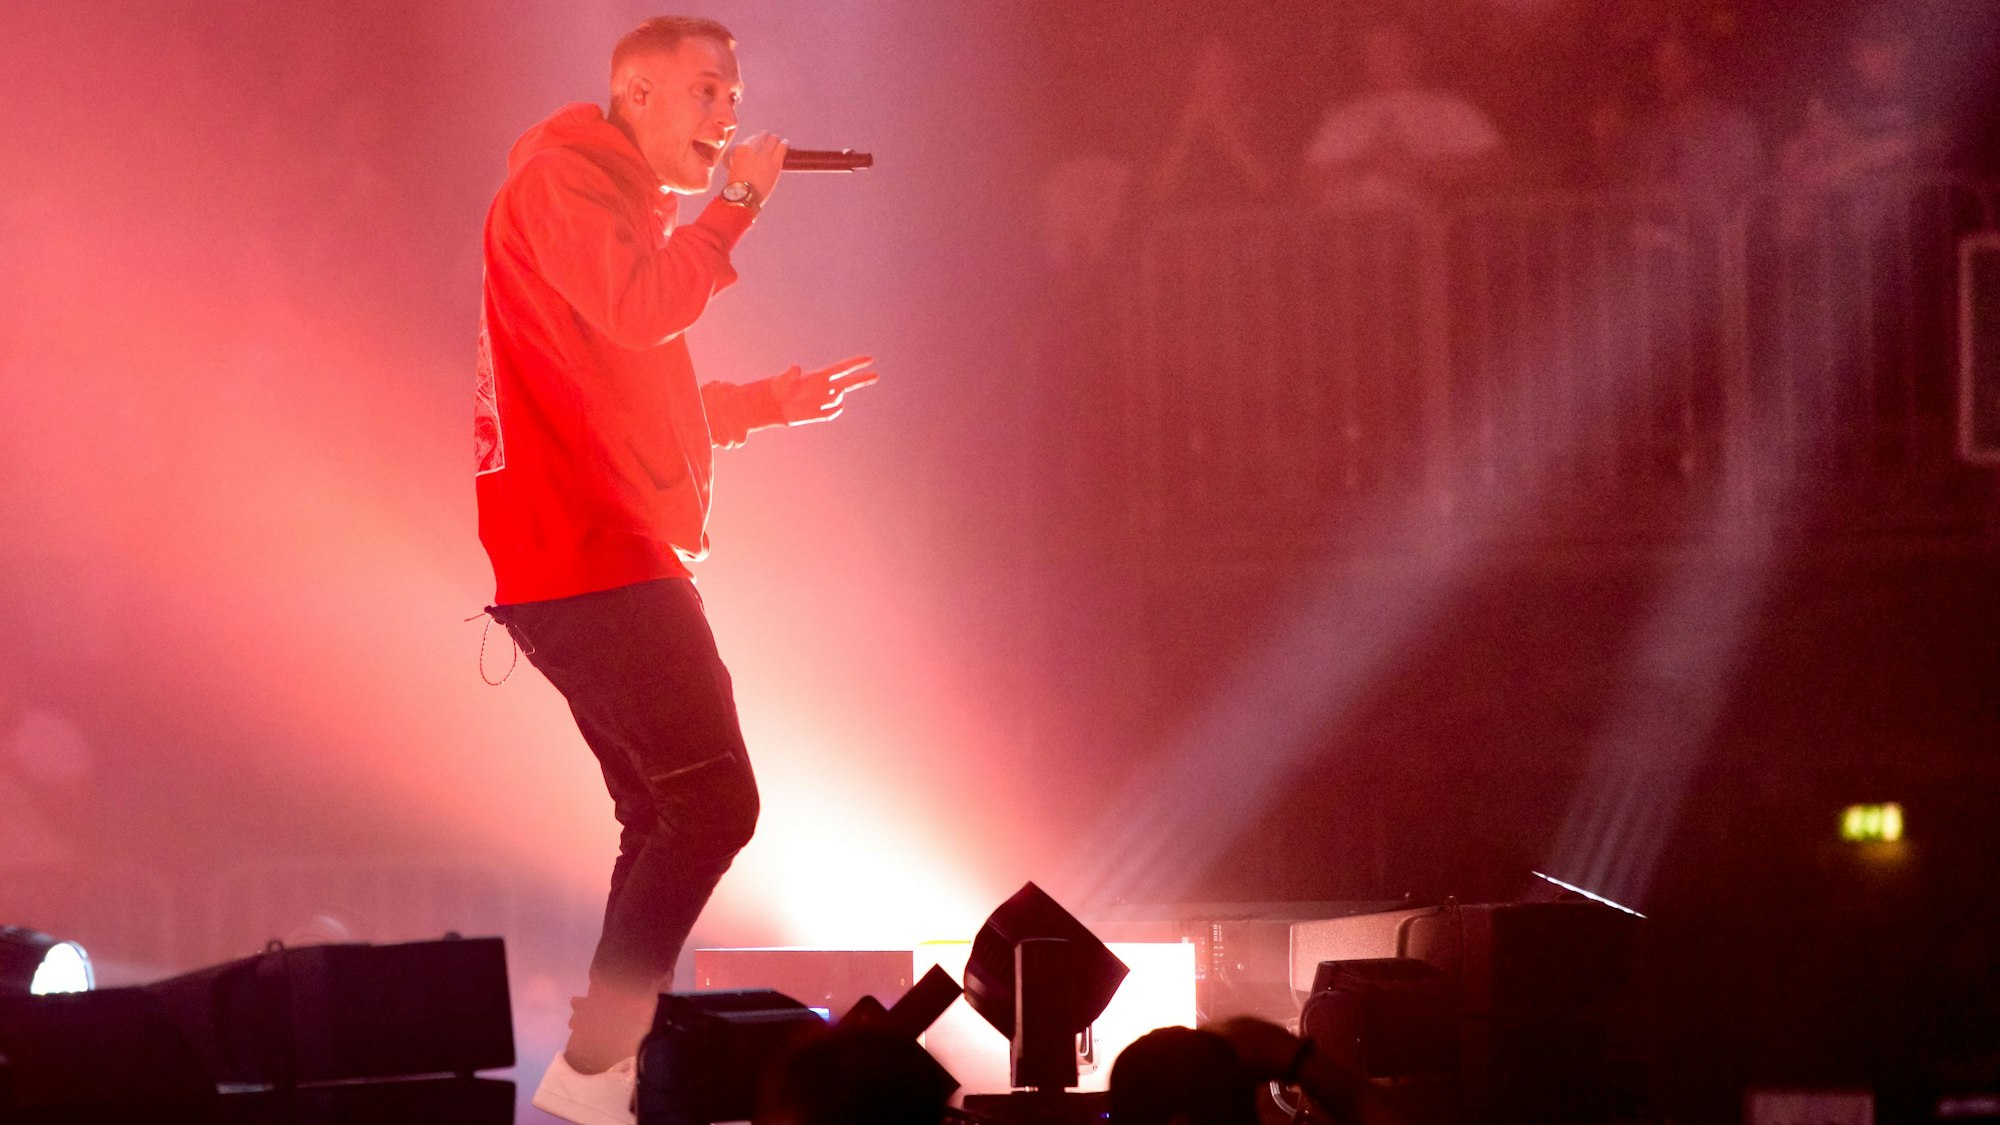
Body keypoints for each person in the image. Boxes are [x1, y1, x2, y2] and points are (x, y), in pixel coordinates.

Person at [471, 16, 879, 1125]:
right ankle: (595, 1075)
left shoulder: (608, 206)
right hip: (586, 548)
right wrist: (737, 205)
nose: (726, 115)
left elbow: (623, 398)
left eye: (731, 95)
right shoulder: (564, 182)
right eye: (703, 92)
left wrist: (758, 406)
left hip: (591, 546)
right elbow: (641, 311)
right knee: (712, 802)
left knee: (663, 812)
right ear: (634, 99)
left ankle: (592, 1086)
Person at [1302, 20, 1508, 208]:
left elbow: (1500, 167)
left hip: (1432, 236)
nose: (1386, 57)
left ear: (1415, 52)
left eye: (1393, 48)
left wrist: (1436, 171)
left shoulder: (1452, 110)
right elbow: (1307, 185)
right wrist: (1366, 161)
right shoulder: (1345, 118)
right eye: (1375, 51)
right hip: (1356, 238)